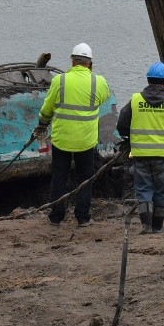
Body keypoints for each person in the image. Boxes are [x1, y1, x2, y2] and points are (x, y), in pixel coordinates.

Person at [33, 43, 111, 227]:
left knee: (59, 176)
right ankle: (83, 217)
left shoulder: (60, 81)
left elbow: (47, 108)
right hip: (86, 140)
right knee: (85, 178)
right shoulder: (98, 82)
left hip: (62, 138)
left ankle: (56, 216)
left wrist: (42, 124)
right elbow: (104, 97)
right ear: (90, 63)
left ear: (72, 61)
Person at [116, 62, 164, 234]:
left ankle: (146, 226)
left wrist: (133, 138)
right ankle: (158, 227)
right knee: (162, 191)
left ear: (148, 80)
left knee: (143, 189)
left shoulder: (135, 100)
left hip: (141, 154)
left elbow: (121, 125)